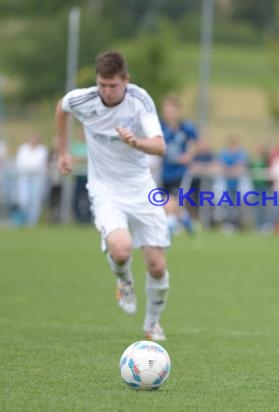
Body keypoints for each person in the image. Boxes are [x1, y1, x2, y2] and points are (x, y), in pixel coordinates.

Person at [55, 51, 171, 341]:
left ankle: (152, 324)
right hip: (105, 188)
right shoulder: (84, 99)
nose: (106, 91)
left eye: (113, 85)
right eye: (102, 85)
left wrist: (136, 142)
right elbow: (62, 107)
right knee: (121, 249)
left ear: (126, 81)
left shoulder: (140, 100)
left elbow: (159, 146)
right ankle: (124, 281)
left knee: (157, 266)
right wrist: (63, 151)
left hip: (141, 188)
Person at [159, 94, 199, 235]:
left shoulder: (186, 127)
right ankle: (186, 220)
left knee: (171, 204)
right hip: (166, 171)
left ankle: (168, 232)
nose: (169, 113)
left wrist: (188, 155)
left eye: (172, 110)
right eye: (166, 110)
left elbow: (194, 143)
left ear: (178, 111)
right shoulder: (160, 127)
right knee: (168, 203)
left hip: (181, 172)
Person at [15, 135, 49, 227]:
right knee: (24, 200)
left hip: (37, 178)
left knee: (35, 200)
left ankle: (32, 222)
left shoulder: (42, 150)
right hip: (24, 177)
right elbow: (20, 162)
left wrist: (32, 168)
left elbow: (39, 164)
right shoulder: (23, 148)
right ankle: (23, 220)